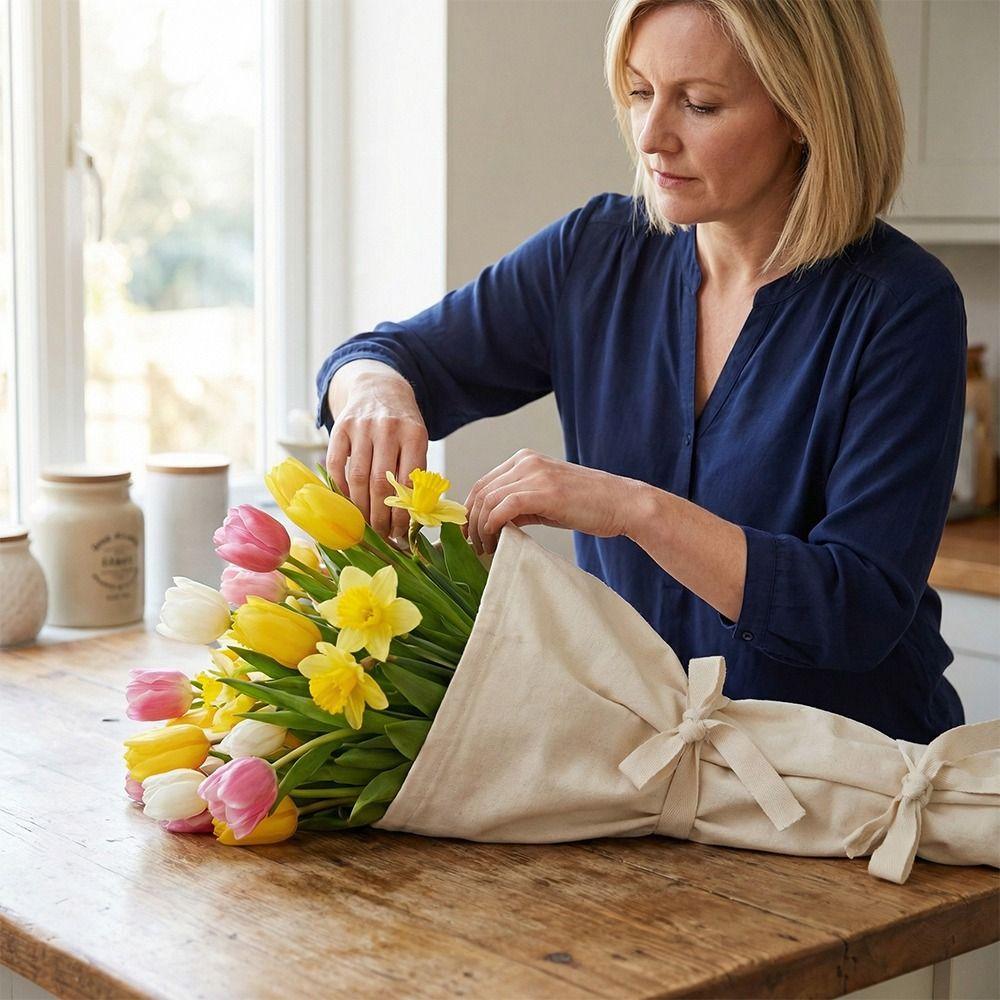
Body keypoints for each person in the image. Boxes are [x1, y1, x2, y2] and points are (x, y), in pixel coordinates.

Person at [314, 0, 967, 744]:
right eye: (638, 92)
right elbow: (389, 355)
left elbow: (854, 611)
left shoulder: (904, 308)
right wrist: (373, 394)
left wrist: (630, 508)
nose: (653, 137)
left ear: (803, 111)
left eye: (699, 104)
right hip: (652, 776)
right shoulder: (593, 254)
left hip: (858, 787)